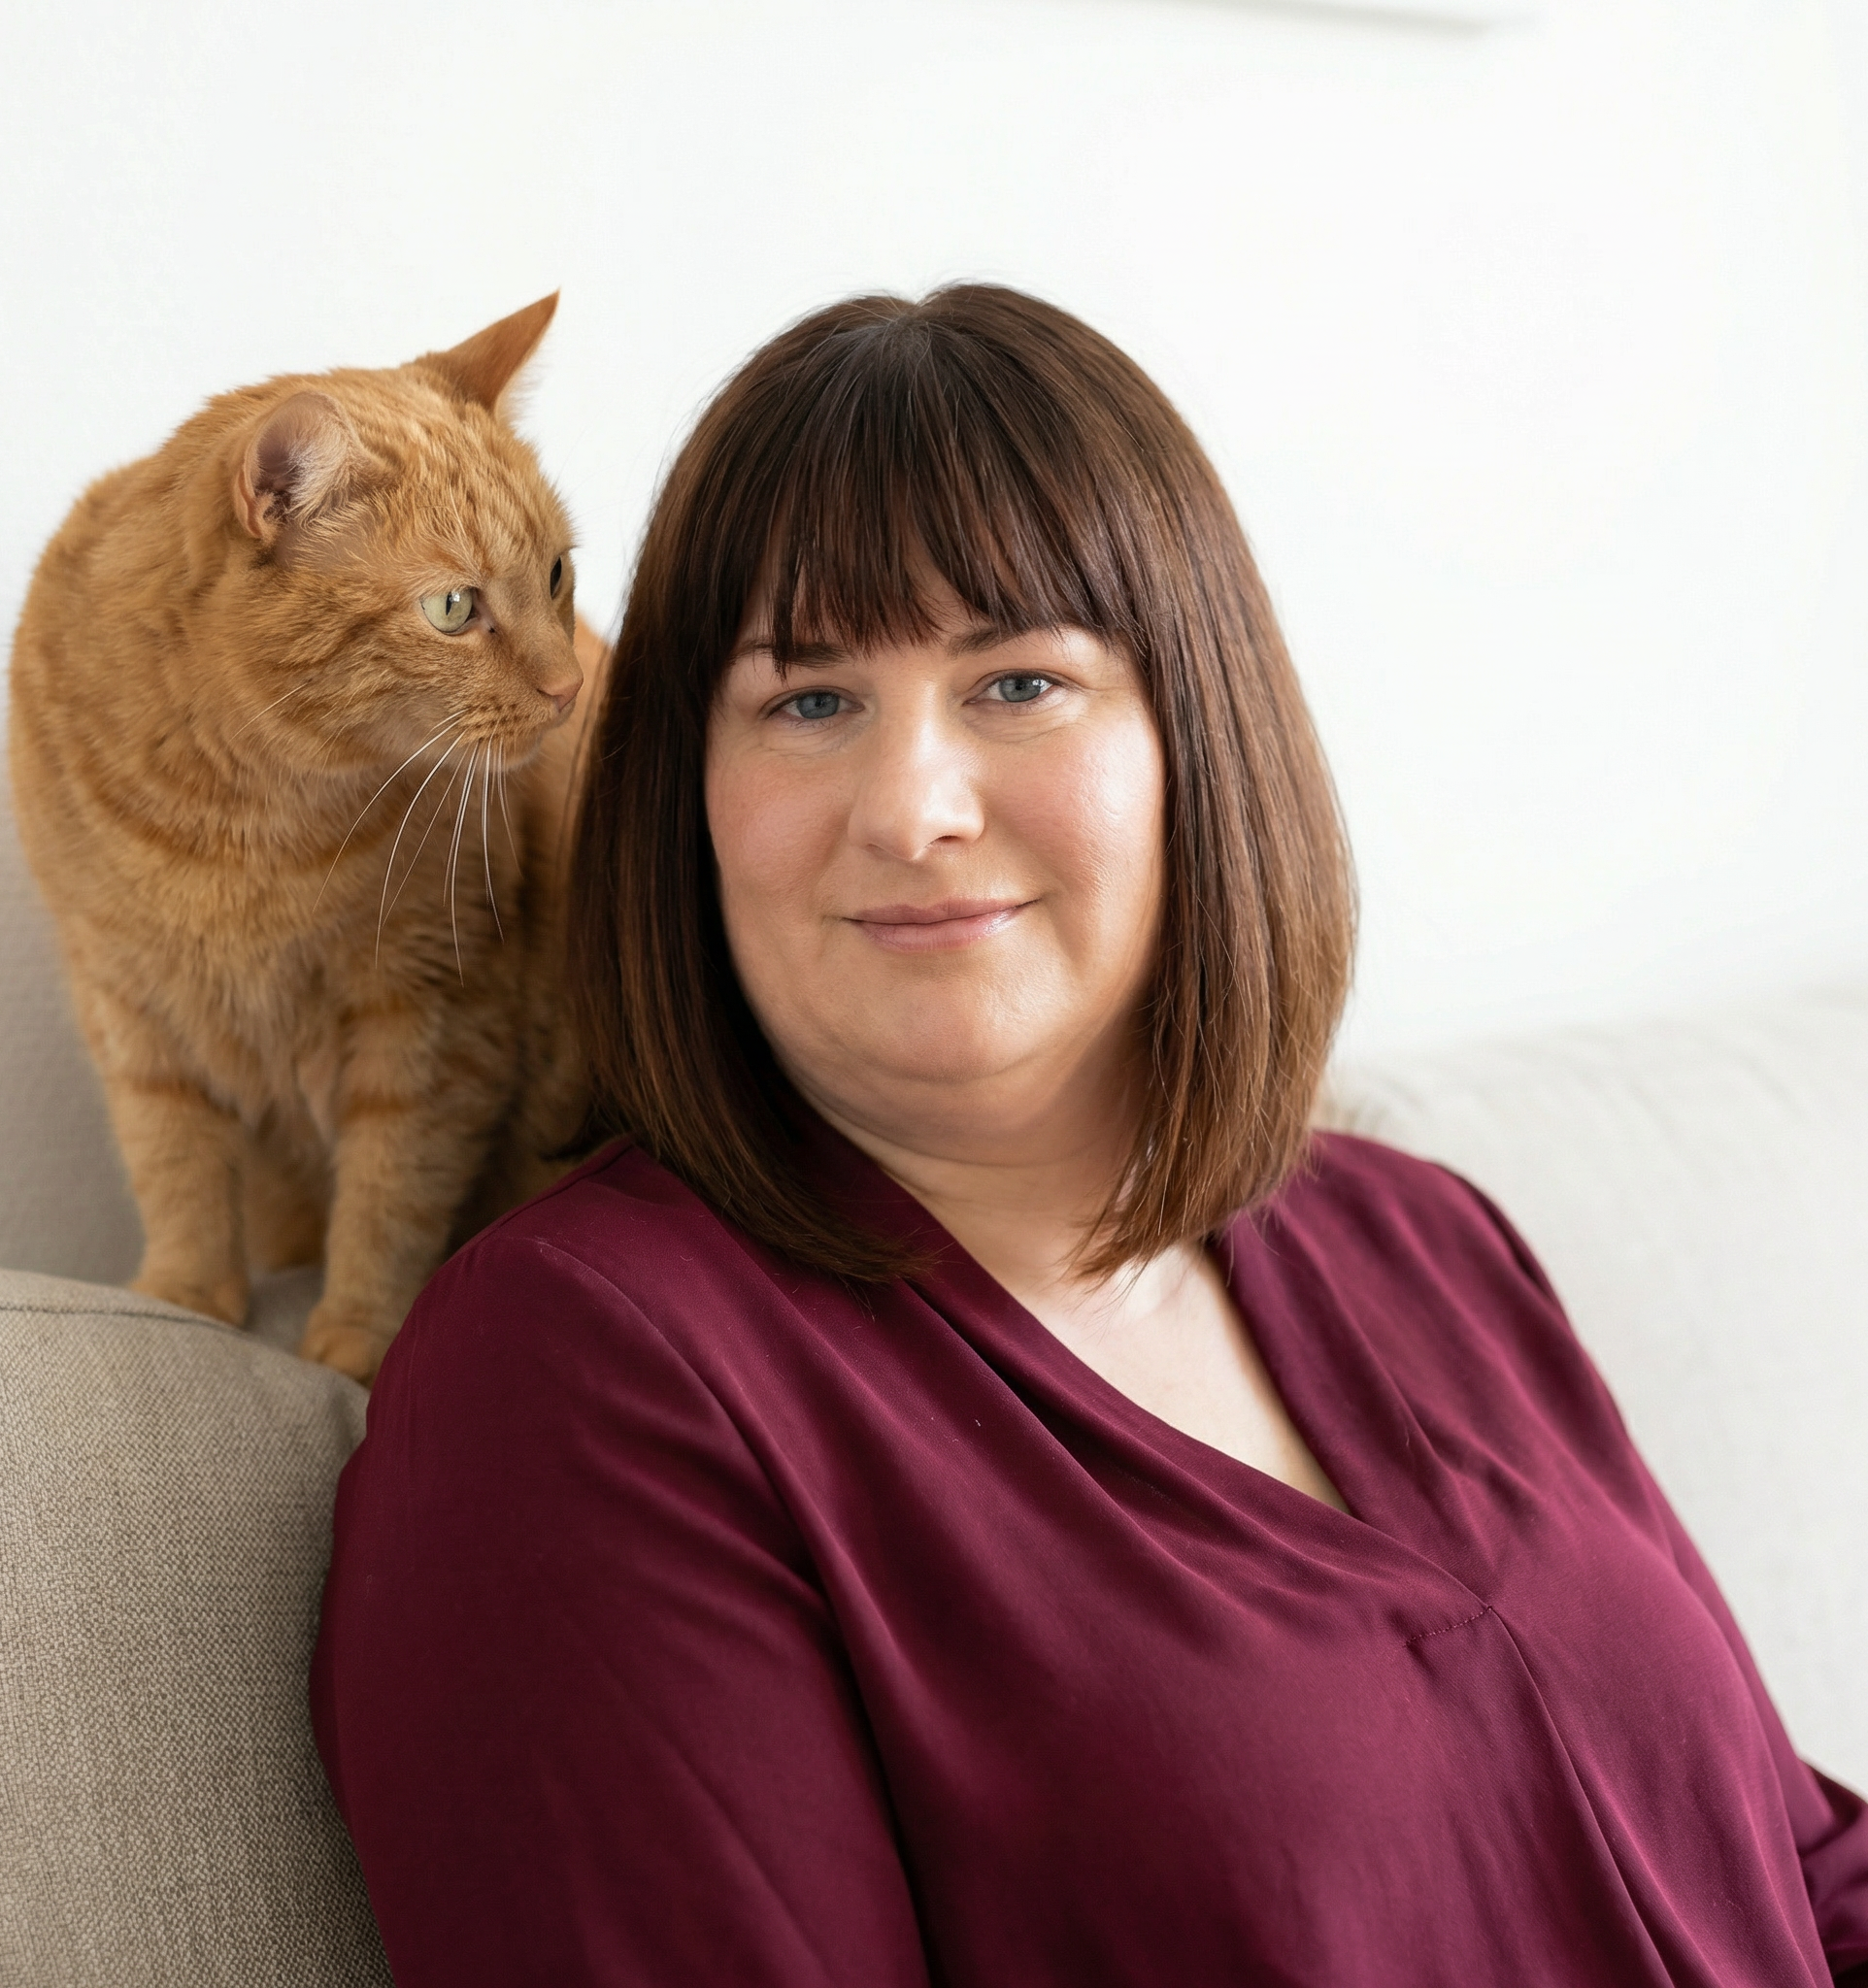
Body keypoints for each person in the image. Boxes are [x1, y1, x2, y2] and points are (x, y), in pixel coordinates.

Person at [310, 285, 1868, 1986]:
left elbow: (1793, 1866)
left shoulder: (1423, 1236)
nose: (913, 808)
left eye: (1021, 681)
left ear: (1196, 740)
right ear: (685, 790)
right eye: (809, 702)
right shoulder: (577, 1367)